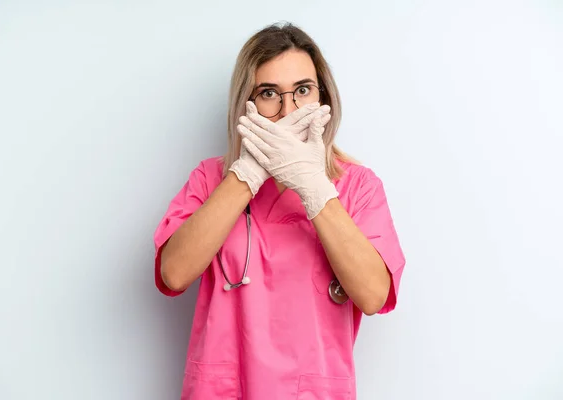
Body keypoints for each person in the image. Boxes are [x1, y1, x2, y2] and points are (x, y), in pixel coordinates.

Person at [154, 22, 406, 400]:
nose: (289, 109)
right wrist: (247, 173)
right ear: (247, 104)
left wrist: (313, 186)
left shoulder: (357, 186)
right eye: (270, 93)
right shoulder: (210, 180)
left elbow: (372, 295)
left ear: (324, 98)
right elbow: (173, 274)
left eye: (302, 90)